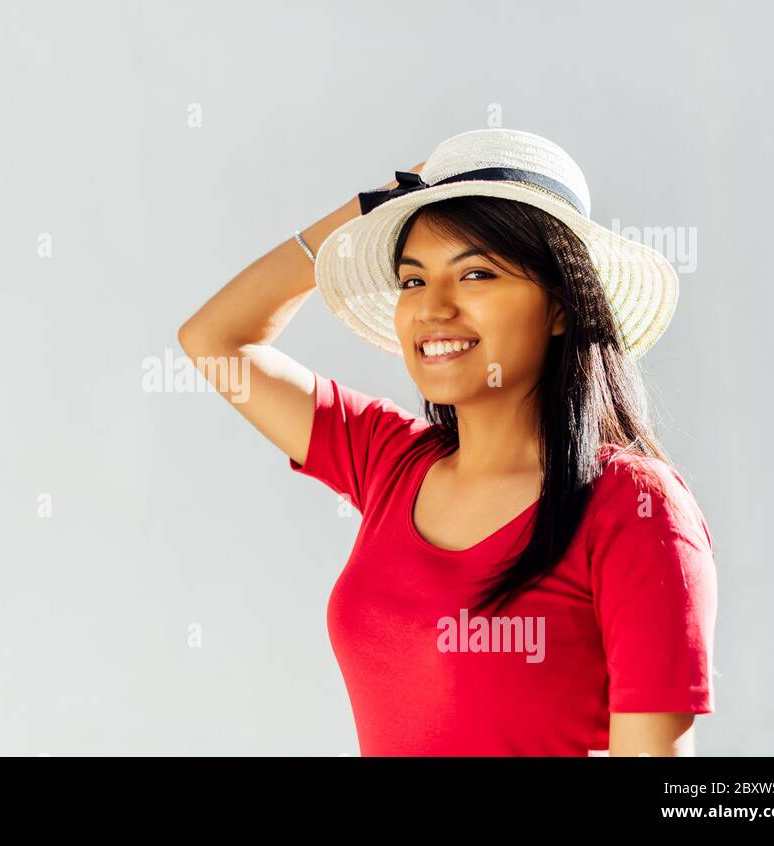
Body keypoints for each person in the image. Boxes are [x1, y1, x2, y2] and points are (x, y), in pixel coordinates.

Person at [177, 128, 717, 757]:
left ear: (562, 306)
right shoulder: (390, 460)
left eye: (477, 273)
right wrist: (367, 210)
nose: (433, 308)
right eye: (411, 281)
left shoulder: (633, 505)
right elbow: (216, 341)